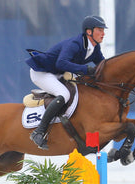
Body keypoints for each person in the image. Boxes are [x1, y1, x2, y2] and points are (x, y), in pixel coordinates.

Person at [26, 15, 107, 149]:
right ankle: (39, 132)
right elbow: (61, 62)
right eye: (100, 30)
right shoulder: (75, 44)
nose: (103, 33)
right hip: (43, 73)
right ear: (89, 31)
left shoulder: (95, 48)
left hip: (58, 73)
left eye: (104, 30)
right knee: (64, 94)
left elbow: (102, 66)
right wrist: (85, 69)